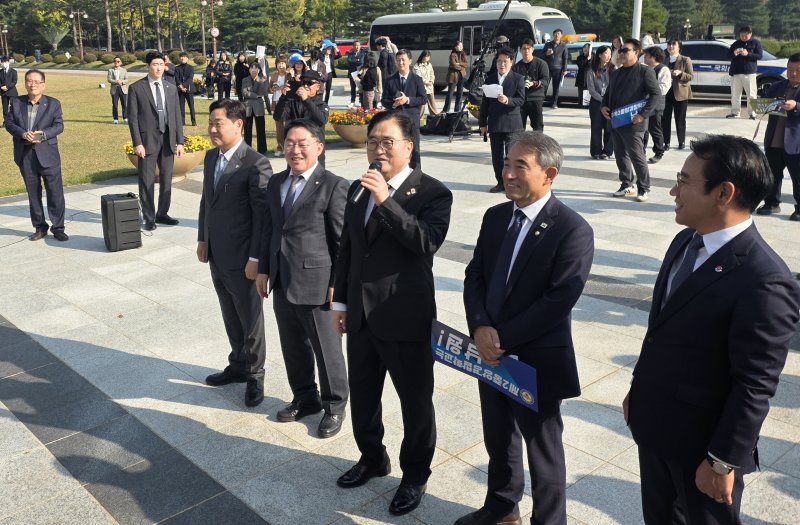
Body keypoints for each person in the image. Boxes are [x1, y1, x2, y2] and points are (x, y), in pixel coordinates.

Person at [623, 134, 800, 524]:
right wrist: (639, 388)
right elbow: (661, 331)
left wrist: (722, 461)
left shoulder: (764, 279)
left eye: (685, 181)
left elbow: (755, 384)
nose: (673, 190)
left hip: (702, 446)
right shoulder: (686, 242)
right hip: (655, 425)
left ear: (724, 193)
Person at [459, 131, 594, 525]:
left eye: (520, 166)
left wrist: (503, 338)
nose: (508, 173)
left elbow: (558, 300)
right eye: (506, 164)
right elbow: (475, 275)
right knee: (498, 439)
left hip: (535, 359)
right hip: (490, 354)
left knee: (543, 450)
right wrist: (481, 326)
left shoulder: (572, 229)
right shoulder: (496, 216)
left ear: (549, 174)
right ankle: (502, 508)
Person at [331, 111, 453, 517]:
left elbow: (425, 242)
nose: (377, 149)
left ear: (409, 146)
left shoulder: (433, 192)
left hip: (404, 316)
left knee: (415, 402)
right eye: (372, 142)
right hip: (362, 315)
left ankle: (415, 474)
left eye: (387, 142)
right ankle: (372, 458)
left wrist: (386, 201)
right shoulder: (356, 189)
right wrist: (341, 303)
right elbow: (348, 248)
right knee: (364, 397)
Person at [255, 119, 349, 438]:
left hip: (319, 284)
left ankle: (335, 405)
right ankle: (305, 396)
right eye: (289, 144)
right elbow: (269, 228)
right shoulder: (276, 181)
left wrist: (339, 284)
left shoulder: (334, 185)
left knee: (327, 349)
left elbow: (343, 242)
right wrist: (264, 268)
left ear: (319, 148)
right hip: (282, 279)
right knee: (292, 345)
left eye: (302, 143)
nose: (295, 150)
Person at [199, 99, 271, 408]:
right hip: (217, 253)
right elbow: (207, 201)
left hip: (244, 259)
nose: (212, 128)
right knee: (230, 314)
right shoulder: (210, 157)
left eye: (218, 123)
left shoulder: (255, 163)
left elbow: (262, 218)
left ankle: (255, 375)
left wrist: (256, 259)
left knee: (250, 318)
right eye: (211, 123)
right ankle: (238, 365)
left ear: (238, 124)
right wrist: (203, 239)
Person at [4, 69, 68, 242]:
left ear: (43, 85)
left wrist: (43, 134)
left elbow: (59, 125)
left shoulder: (53, 103)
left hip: (48, 154)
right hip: (25, 154)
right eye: (29, 81)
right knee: (33, 193)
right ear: (25, 83)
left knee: (55, 192)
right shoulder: (16, 102)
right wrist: (23, 133)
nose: (32, 85)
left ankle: (58, 227)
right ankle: (40, 227)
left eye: (36, 82)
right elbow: (8, 123)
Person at [127, 51, 185, 230]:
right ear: (148, 66)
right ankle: (149, 217)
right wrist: (137, 143)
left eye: (161, 64)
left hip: (168, 140)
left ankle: (162, 213)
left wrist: (180, 141)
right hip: (147, 141)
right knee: (146, 180)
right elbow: (133, 118)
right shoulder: (137, 88)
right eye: (155, 64)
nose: (159, 68)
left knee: (167, 179)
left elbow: (176, 116)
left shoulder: (171, 87)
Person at [601, 38, 660, 202]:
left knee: (637, 156)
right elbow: (608, 94)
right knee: (620, 156)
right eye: (621, 50)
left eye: (626, 50)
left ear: (637, 52)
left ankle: (644, 187)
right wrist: (603, 106)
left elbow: (656, 94)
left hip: (635, 123)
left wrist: (643, 114)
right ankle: (627, 184)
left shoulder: (645, 71)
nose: (622, 53)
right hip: (616, 122)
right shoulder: (616, 72)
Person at [756, 53, 800, 220]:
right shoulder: (776, 86)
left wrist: (796, 106)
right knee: (773, 175)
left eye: (798, 70)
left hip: (796, 143)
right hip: (775, 139)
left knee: (798, 177)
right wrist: (765, 104)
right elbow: (765, 105)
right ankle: (771, 203)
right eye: (790, 69)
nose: (793, 73)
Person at [479, 47, 525, 193]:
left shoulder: (518, 78)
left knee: (512, 156)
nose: (502, 64)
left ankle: (513, 183)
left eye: (505, 61)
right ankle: (500, 182)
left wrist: (507, 100)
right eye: (499, 61)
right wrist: (482, 123)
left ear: (511, 62)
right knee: (496, 156)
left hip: (512, 124)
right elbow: (484, 103)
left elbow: (521, 100)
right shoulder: (490, 78)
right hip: (495, 123)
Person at [381, 50, 427, 169]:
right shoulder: (390, 80)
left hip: (412, 122)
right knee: (396, 152)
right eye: (398, 60)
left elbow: (423, 99)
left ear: (410, 61)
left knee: (414, 152)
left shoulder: (417, 79)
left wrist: (407, 100)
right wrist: (394, 104)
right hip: (396, 122)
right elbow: (384, 100)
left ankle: (416, 176)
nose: (401, 63)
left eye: (403, 60)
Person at [275, 70, 330, 166]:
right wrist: (283, 98)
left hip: (313, 151)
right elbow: (278, 117)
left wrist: (306, 100)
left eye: (309, 83)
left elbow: (322, 120)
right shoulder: (293, 102)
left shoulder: (321, 104)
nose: (305, 85)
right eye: (303, 82)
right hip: (296, 151)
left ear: (318, 87)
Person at [512, 38, 549, 132]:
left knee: (538, 127)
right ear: (520, 50)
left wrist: (534, 83)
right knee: (519, 128)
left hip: (536, 99)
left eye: (528, 48)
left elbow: (545, 80)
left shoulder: (541, 64)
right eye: (524, 48)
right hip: (521, 100)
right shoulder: (516, 67)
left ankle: (538, 146)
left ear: (532, 49)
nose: (526, 51)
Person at [662, 39, 693, 151]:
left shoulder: (685, 59)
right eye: (669, 44)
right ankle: (666, 142)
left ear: (679, 47)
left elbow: (690, 76)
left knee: (680, 119)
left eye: (673, 44)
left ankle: (681, 141)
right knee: (665, 119)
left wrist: (680, 73)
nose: (671, 46)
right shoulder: (664, 60)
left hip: (681, 93)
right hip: (666, 93)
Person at [727, 26, 762, 120]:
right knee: (735, 94)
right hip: (736, 72)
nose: (743, 37)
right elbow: (728, 55)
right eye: (742, 35)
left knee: (751, 94)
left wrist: (748, 54)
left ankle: (752, 113)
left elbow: (759, 56)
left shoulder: (756, 43)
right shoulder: (736, 43)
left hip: (749, 73)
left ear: (750, 34)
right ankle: (735, 112)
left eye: (746, 35)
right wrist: (734, 53)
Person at [642, 46, 670, 164]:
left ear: (653, 57)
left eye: (646, 55)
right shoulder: (644, 68)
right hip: (643, 103)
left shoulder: (663, 70)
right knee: (643, 128)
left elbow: (664, 88)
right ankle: (641, 151)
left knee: (655, 128)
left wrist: (650, 91)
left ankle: (659, 151)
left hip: (656, 103)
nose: (644, 57)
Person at [586, 45, 615, 160]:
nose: (608, 56)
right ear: (599, 55)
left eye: (609, 53)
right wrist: (602, 100)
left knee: (609, 128)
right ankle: (595, 151)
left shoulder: (614, 69)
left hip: (610, 102)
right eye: (606, 53)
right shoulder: (591, 70)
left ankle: (607, 152)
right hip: (596, 102)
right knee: (596, 127)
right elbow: (591, 90)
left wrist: (608, 100)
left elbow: (615, 86)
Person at [241, 62, 269, 155]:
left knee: (261, 129)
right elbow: (244, 93)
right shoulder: (245, 80)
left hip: (258, 107)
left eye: (256, 68)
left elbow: (263, 93)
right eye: (252, 68)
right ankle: (247, 150)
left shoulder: (262, 80)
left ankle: (262, 150)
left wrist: (259, 82)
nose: (254, 70)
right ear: (249, 70)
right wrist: (256, 95)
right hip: (248, 106)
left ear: (259, 70)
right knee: (247, 130)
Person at [269, 56, 291, 157]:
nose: (281, 65)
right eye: (279, 63)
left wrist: (283, 87)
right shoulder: (273, 76)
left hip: (286, 103)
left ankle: (288, 148)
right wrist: (272, 89)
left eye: (283, 63)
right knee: (279, 127)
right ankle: (280, 147)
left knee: (288, 126)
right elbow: (269, 89)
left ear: (286, 64)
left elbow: (291, 87)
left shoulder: (289, 75)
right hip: (276, 102)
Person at [542, 29, 568, 109]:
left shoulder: (563, 46)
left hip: (558, 68)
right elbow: (541, 55)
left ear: (561, 36)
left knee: (556, 87)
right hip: (548, 68)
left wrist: (565, 69)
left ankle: (554, 103)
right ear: (553, 35)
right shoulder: (548, 44)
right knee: (544, 85)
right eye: (555, 34)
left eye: (558, 34)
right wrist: (546, 53)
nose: (557, 35)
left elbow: (565, 58)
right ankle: (541, 102)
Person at [443, 41, 467, 113]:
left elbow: (466, 64)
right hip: (453, 75)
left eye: (462, 46)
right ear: (455, 46)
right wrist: (461, 67)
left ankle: (457, 109)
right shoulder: (452, 54)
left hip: (461, 75)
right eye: (459, 46)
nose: (461, 47)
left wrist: (459, 63)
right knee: (450, 93)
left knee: (460, 93)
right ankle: (446, 109)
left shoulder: (463, 54)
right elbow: (453, 65)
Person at [413, 50, 438, 117]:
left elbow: (432, 74)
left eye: (428, 56)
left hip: (429, 87)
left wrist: (431, 81)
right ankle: (417, 118)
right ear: (422, 56)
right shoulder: (417, 65)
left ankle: (434, 117)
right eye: (425, 56)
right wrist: (426, 82)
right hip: (421, 87)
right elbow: (418, 76)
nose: (426, 58)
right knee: (421, 106)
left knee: (432, 104)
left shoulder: (429, 65)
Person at [175, 52, 197, 127]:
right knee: (181, 107)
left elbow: (190, 78)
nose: (182, 58)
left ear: (187, 58)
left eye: (184, 57)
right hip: (180, 90)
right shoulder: (177, 68)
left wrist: (184, 86)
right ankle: (182, 122)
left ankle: (193, 122)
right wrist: (180, 86)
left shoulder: (191, 68)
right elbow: (176, 78)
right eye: (181, 57)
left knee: (191, 106)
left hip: (189, 89)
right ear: (179, 58)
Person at [345, 41, 367, 107]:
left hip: (360, 73)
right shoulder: (350, 53)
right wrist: (357, 60)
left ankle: (362, 101)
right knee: (353, 88)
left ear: (360, 46)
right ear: (353, 46)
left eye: (358, 45)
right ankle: (352, 101)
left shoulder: (363, 53)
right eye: (355, 45)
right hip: (352, 73)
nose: (357, 47)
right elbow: (349, 62)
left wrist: (354, 61)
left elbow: (361, 62)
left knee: (361, 87)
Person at [107, 56, 128, 124]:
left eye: (118, 61)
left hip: (123, 89)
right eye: (115, 61)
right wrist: (116, 81)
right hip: (114, 89)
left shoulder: (124, 70)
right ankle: (115, 119)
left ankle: (125, 118)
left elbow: (126, 79)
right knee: (115, 105)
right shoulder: (110, 70)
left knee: (124, 104)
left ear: (121, 62)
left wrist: (122, 82)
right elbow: (109, 79)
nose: (116, 62)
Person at [0, 56, 18, 121]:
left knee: (13, 107)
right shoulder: (0, 71)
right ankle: (5, 122)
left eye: (5, 62)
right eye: (2, 62)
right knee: (5, 109)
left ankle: (14, 121)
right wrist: (1, 87)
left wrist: (7, 87)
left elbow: (14, 81)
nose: (3, 63)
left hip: (12, 92)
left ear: (8, 62)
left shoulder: (14, 71)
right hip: (3, 93)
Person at [576, 43, 592, 107]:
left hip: (589, 77)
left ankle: (586, 106)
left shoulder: (593, 56)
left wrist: (590, 58)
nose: (585, 49)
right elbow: (580, 65)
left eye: (587, 47)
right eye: (584, 47)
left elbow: (592, 66)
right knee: (581, 92)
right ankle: (580, 105)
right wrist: (587, 59)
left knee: (587, 93)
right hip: (581, 77)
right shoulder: (579, 57)